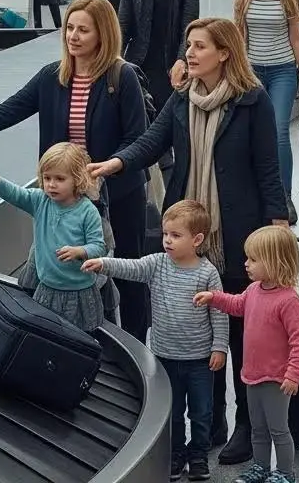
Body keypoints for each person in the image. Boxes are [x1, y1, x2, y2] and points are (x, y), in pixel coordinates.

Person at [87, 17, 290, 465]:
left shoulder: (251, 100)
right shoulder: (182, 98)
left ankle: (245, 425)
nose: (190, 53)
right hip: (190, 233)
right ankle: (211, 422)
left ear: (224, 53)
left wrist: (277, 227)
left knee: (240, 335)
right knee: (201, 332)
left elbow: (268, 167)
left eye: (200, 46)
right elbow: (151, 141)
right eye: (189, 45)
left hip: (236, 232)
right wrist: (115, 164)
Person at [0, 0, 150, 334]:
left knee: (125, 272)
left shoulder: (122, 77)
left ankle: (136, 345)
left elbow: (137, 137)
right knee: (65, 272)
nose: (73, 36)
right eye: (70, 28)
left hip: (117, 194)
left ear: (103, 34)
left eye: (83, 30)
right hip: (65, 198)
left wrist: (112, 165)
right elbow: (5, 112)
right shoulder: (52, 77)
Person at [84, 199, 228, 482]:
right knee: (173, 412)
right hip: (165, 357)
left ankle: (198, 455)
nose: (167, 240)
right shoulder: (157, 264)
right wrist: (103, 264)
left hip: (199, 360)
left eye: (176, 235)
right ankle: (176, 454)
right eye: (165, 234)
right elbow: (131, 267)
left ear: (197, 239)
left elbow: (219, 313)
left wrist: (219, 347)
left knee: (201, 412)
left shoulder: (208, 273)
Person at [194, 226, 299, 483]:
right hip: (252, 375)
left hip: (277, 379)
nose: (246, 264)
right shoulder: (254, 289)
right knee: (258, 429)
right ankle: (260, 467)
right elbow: (237, 305)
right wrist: (214, 297)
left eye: (254, 259)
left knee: (278, 429)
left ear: (276, 262)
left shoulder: (289, 301)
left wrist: (293, 374)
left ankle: (285, 473)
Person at [0, 143, 106, 332]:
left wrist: (80, 251)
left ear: (77, 179)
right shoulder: (40, 201)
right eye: (47, 178)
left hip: (78, 290)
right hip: (46, 287)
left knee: (77, 335)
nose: (51, 184)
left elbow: (98, 247)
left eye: (59, 179)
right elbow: (16, 194)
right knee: (45, 332)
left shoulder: (87, 212)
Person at [234, 0, 299, 225]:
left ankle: (284, 197)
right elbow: (239, 38)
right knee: (252, 134)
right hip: (252, 73)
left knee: (279, 130)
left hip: (283, 71)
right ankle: (257, 195)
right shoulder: (243, 0)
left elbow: (296, 38)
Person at [119, 0, 199, 113]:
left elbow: (189, 29)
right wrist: (115, 56)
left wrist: (181, 60)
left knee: (167, 118)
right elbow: (123, 25)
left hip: (171, 63)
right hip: (139, 62)